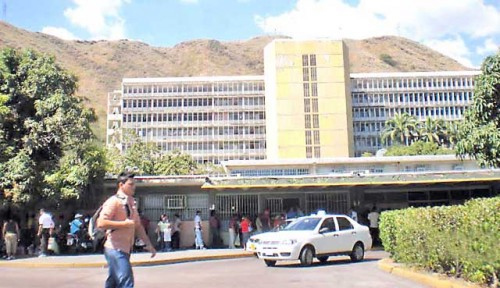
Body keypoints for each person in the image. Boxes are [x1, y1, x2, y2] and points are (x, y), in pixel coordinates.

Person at [97, 172, 156, 288]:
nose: (134, 187)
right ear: (121, 185)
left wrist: (149, 244)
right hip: (115, 249)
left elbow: (138, 226)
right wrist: (124, 224)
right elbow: (101, 223)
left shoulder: (131, 203)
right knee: (126, 283)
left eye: (134, 184)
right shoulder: (113, 202)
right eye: (130, 184)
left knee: (113, 283)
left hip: (125, 249)